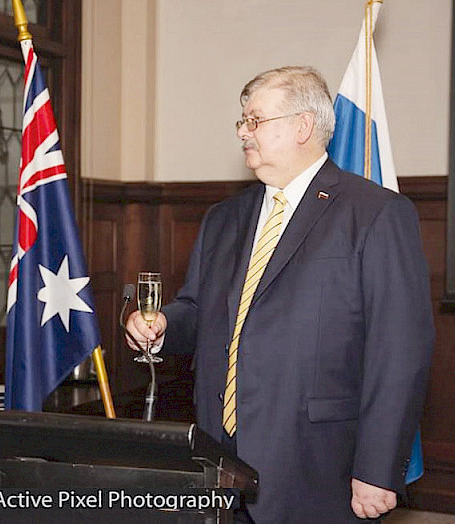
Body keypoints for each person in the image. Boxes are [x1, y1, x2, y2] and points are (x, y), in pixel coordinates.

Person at [126, 66, 434, 523]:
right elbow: (197, 310)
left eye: (255, 120)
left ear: (302, 126)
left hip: (318, 464)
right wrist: (164, 327)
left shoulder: (375, 213)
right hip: (216, 459)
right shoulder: (223, 218)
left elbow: (400, 350)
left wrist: (378, 469)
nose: (243, 133)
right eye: (241, 122)